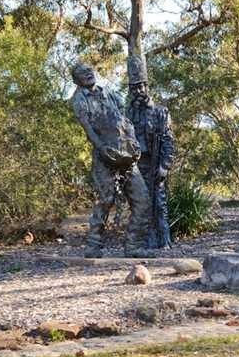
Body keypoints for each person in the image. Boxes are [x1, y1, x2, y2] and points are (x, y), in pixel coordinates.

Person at [70, 63, 153, 258]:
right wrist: (102, 149)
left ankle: (134, 246)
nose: (88, 73)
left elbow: (124, 120)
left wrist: (132, 142)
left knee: (142, 199)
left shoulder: (111, 94)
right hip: (105, 157)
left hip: (127, 155)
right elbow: (88, 129)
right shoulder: (80, 101)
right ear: (76, 81)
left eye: (89, 70)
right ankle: (93, 246)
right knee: (106, 200)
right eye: (82, 73)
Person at [126, 54, 174, 249]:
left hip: (154, 162)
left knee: (159, 202)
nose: (139, 90)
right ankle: (143, 240)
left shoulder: (161, 112)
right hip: (135, 165)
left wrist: (165, 165)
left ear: (147, 86)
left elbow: (169, 141)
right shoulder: (128, 112)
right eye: (134, 87)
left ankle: (164, 240)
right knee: (139, 204)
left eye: (141, 86)